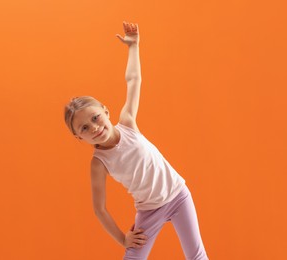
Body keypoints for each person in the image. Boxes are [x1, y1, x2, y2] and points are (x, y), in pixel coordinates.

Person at [64, 21, 208, 260]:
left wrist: (133, 47)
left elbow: (133, 81)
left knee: (196, 256)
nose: (95, 128)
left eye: (96, 118)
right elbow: (99, 210)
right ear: (79, 137)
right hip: (149, 210)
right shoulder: (99, 163)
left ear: (106, 111)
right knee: (133, 257)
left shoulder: (128, 121)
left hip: (178, 195)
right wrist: (123, 238)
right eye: (85, 128)